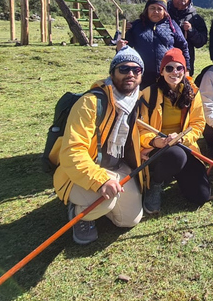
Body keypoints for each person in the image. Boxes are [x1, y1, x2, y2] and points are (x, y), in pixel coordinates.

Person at [49, 46, 148, 245]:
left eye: (136, 70)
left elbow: (141, 132)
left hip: (118, 169)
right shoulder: (90, 103)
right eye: (123, 69)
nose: (130, 74)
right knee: (106, 198)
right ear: (112, 73)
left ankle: (98, 205)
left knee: (130, 220)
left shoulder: (135, 101)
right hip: (84, 172)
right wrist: (100, 181)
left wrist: (154, 142)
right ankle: (80, 214)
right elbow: (72, 151)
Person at [137, 48, 210, 214]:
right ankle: (155, 184)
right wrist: (156, 141)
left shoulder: (193, 93)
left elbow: (198, 124)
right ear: (162, 71)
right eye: (169, 68)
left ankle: (172, 171)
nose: (174, 72)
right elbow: (139, 128)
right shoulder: (149, 94)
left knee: (201, 196)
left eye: (179, 68)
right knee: (175, 154)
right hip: (156, 148)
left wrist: (183, 138)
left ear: (185, 71)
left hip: (184, 144)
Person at [118, 0, 190, 89]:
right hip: (142, 76)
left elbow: (183, 47)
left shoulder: (172, 26)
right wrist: (119, 48)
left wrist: (186, 70)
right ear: (147, 10)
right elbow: (126, 49)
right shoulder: (136, 26)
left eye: (159, 9)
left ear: (164, 11)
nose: (155, 11)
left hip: (168, 75)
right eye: (152, 8)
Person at [168, 0, 207, 76]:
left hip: (185, 63)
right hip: (164, 60)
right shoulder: (163, 12)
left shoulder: (196, 18)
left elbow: (201, 41)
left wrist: (191, 31)